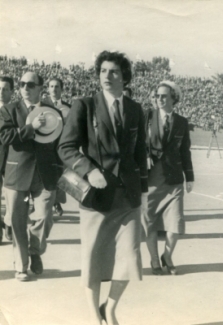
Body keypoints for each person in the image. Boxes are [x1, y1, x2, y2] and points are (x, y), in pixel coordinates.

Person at [58, 50, 148, 325]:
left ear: (125, 77)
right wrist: (90, 170)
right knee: (94, 259)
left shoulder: (135, 109)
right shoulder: (84, 105)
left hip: (128, 197)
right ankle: (94, 318)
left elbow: (139, 155)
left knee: (130, 258)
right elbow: (66, 147)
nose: (107, 76)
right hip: (96, 197)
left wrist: (143, 193)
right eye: (103, 71)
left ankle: (109, 308)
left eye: (114, 72)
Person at [0, 72, 62, 281]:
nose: (26, 87)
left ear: (40, 88)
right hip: (16, 172)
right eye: (22, 84)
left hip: (44, 173)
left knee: (45, 215)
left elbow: (60, 142)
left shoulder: (53, 112)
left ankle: (35, 251)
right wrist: (30, 128)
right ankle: (20, 266)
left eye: (31, 84)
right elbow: (5, 136)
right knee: (17, 222)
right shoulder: (8, 110)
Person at [142, 81, 194, 276]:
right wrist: (144, 156)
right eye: (157, 96)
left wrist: (189, 177)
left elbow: (185, 151)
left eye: (164, 96)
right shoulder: (147, 116)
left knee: (175, 222)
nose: (160, 99)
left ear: (174, 98)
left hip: (174, 178)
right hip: (150, 177)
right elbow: (138, 142)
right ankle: (155, 259)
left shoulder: (182, 122)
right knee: (150, 221)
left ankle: (167, 255)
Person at [45, 77, 71, 218]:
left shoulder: (68, 108)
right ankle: (50, 204)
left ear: (62, 89)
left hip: (61, 149)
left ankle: (56, 201)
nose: (54, 89)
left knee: (60, 177)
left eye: (57, 87)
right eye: (51, 86)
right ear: (48, 89)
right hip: (45, 148)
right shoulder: (42, 106)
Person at [0, 76, 13, 243]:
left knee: (12, 199)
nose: (1, 92)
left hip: (11, 160)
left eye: (5, 89)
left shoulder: (16, 110)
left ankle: (9, 224)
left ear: (12, 91)